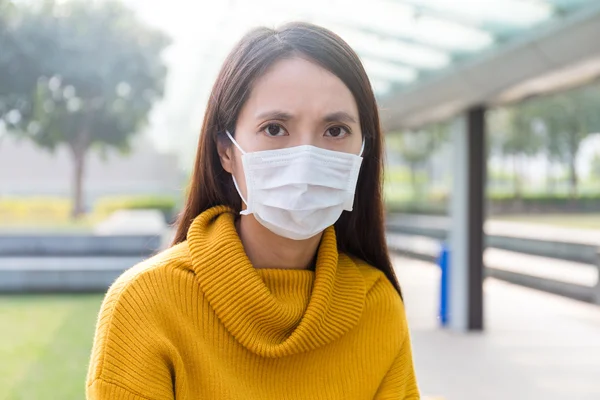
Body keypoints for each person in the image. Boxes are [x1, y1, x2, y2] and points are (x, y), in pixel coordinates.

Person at [86, 21, 419, 399]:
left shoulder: (378, 305)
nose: (306, 157)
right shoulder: (145, 304)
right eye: (275, 129)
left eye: (335, 130)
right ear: (226, 151)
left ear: (363, 150)